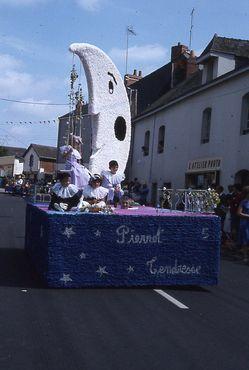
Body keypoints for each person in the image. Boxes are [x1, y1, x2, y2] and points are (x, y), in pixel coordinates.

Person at [237, 186, 249, 262]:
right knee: (246, 239)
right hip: (245, 223)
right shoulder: (243, 202)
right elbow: (238, 213)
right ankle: (245, 256)